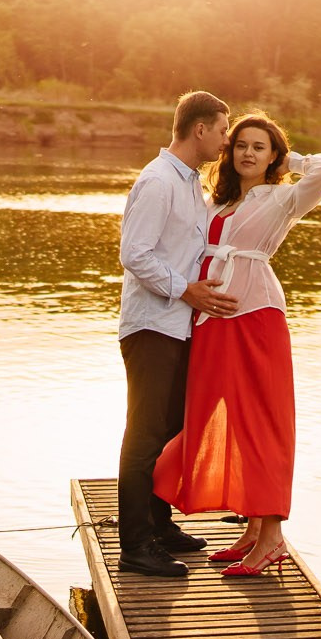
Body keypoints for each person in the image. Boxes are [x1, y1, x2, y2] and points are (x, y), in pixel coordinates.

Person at [153, 113, 321, 576]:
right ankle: (254, 529)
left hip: (256, 317)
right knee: (223, 418)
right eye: (241, 145)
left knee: (261, 423)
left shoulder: (282, 199)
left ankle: (272, 537)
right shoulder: (216, 202)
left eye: (260, 147)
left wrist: (285, 156)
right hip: (213, 319)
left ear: (272, 155)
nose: (249, 153)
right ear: (229, 152)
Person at [114, 91, 238, 578]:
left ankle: (161, 528)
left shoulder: (192, 185)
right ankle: (135, 546)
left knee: (167, 434)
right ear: (200, 129)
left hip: (178, 327)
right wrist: (185, 291)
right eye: (224, 130)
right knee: (144, 436)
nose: (227, 141)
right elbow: (135, 253)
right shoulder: (158, 181)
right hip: (150, 325)